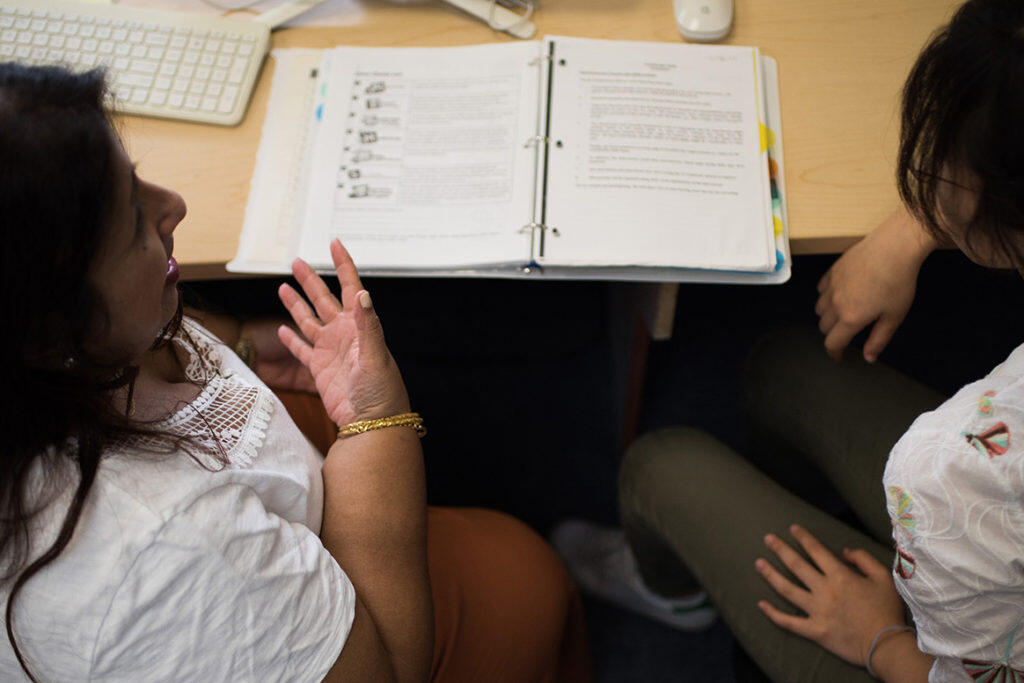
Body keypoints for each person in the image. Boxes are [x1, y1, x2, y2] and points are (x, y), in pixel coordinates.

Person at [0, 63, 591, 681]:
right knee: (529, 578)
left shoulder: (57, 354)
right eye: (130, 223)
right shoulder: (166, 560)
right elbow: (389, 669)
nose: (174, 205)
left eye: (137, 178)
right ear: (50, 328)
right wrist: (377, 422)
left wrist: (241, 345)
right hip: (365, 633)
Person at [553, 0, 1024, 680]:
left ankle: (679, 594)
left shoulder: (947, 470)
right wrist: (919, 221)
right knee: (784, 364)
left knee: (660, 466)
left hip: (948, 658)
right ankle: (830, 518)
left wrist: (883, 639)